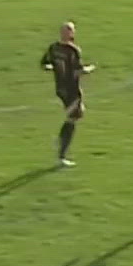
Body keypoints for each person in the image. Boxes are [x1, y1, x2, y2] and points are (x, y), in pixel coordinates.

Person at [41, 21, 95, 167]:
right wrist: (88, 70)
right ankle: (61, 153)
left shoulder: (54, 48)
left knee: (77, 114)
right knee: (73, 116)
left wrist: (54, 68)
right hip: (71, 88)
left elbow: (44, 64)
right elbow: (78, 70)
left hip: (60, 88)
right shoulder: (73, 50)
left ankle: (61, 143)